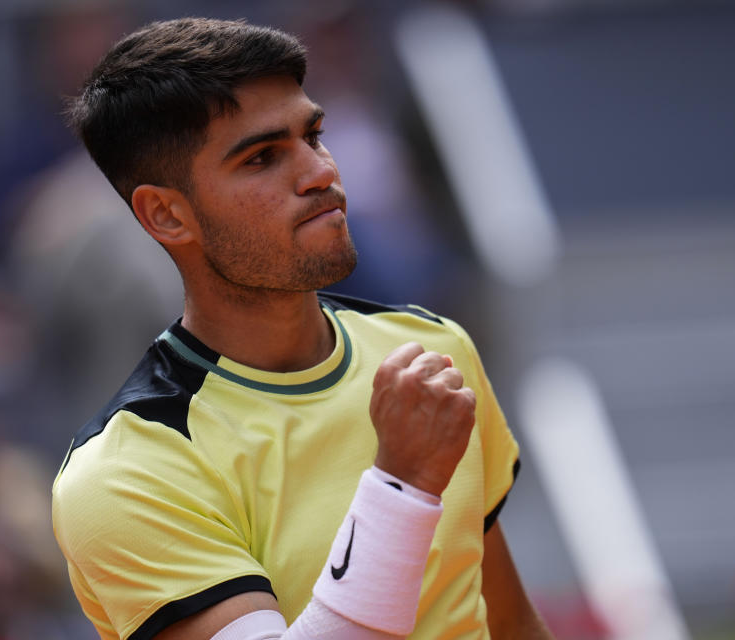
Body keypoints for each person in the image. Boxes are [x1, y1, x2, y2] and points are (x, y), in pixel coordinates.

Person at [51, 17, 552, 640]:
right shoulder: (124, 473)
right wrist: (401, 486)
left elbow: (507, 622)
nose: (320, 172)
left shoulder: (433, 346)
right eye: (262, 157)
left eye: (313, 135)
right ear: (167, 215)